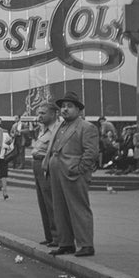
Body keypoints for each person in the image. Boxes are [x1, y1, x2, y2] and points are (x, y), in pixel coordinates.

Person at [45, 91, 99, 256]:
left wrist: (80, 169)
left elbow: (91, 153)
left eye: (69, 106)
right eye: (63, 106)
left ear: (78, 110)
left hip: (73, 173)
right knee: (60, 208)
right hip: (57, 172)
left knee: (78, 208)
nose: (65, 109)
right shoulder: (61, 126)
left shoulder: (86, 127)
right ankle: (66, 243)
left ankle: (86, 244)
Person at [29, 101, 62, 246]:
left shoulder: (58, 129)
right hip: (37, 164)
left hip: (46, 165)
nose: (39, 116)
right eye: (38, 113)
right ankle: (49, 235)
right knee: (43, 202)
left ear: (54, 114)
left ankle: (57, 237)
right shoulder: (43, 128)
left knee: (50, 201)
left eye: (43, 113)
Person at [0, 116, 11, 201]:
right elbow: (10, 145)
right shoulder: (5, 133)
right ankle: (5, 192)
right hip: (3, 156)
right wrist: (6, 150)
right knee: (3, 175)